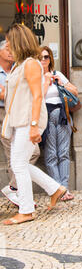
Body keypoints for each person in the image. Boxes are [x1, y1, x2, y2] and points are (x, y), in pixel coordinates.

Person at [2, 24, 67, 225]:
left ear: (18, 42)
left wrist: (33, 125)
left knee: (18, 164)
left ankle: (27, 210)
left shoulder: (31, 64)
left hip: (28, 121)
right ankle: (55, 188)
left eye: (10, 41)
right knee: (19, 163)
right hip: (20, 121)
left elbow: (38, 95)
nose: (7, 45)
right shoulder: (20, 65)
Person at [0, 37, 40, 206]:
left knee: (26, 156)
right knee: (15, 158)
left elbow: (35, 94)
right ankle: (24, 200)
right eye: (6, 48)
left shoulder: (25, 65)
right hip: (5, 114)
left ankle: (15, 191)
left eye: (11, 47)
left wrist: (34, 124)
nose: (10, 52)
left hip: (22, 114)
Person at [41, 45, 78, 201]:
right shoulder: (34, 77)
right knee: (50, 155)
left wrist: (60, 83)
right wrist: (45, 82)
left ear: (50, 59)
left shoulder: (57, 74)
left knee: (63, 153)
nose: (43, 60)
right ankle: (57, 189)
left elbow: (75, 92)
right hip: (45, 117)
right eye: (40, 57)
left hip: (62, 115)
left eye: (46, 57)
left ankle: (65, 188)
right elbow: (37, 98)